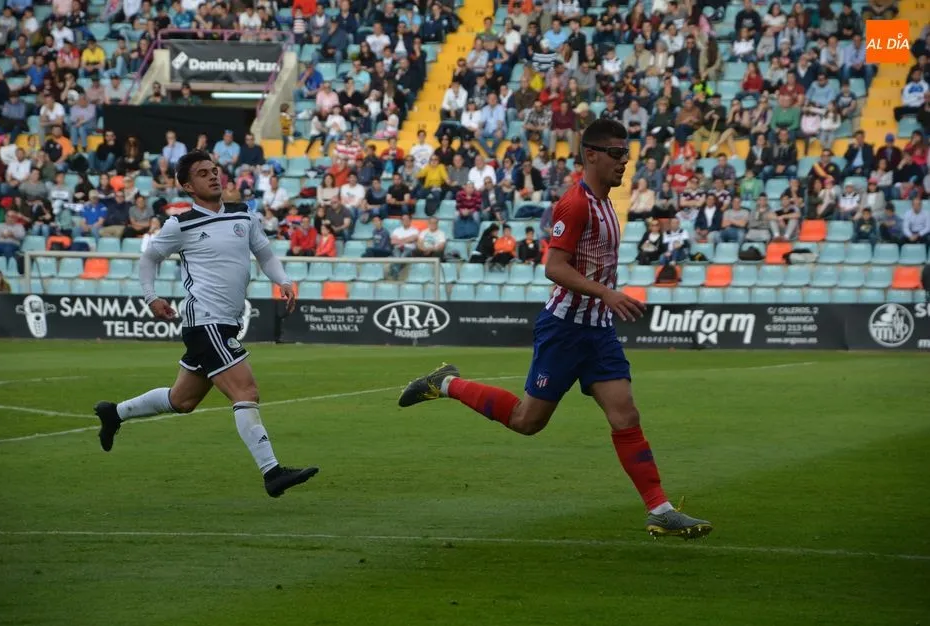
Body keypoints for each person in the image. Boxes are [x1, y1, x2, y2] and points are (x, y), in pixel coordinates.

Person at [396, 120, 712, 540]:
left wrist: (605, 301)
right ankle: (447, 383)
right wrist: (609, 293)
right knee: (528, 421)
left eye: (628, 153)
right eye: (618, 153)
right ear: (592, 154)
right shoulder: (575, 205)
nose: (625, 161)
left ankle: (660, 509)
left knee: (625, 414)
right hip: (564, 328)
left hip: (597, 330)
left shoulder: (607, 204)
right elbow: (554, 267)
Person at [92, 150, 318, 498]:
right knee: (246, 391)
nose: (213, 176)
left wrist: (283, 280)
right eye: (202, 173)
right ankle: (272, 472)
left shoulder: (244, 214)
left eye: (215, 170)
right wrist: (151, 297)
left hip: (225, 322)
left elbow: (265, 254)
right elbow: (149, 259)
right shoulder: (179, 225)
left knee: (182, 400)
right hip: (205, 322)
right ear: (187, 185)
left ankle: (115, 414)